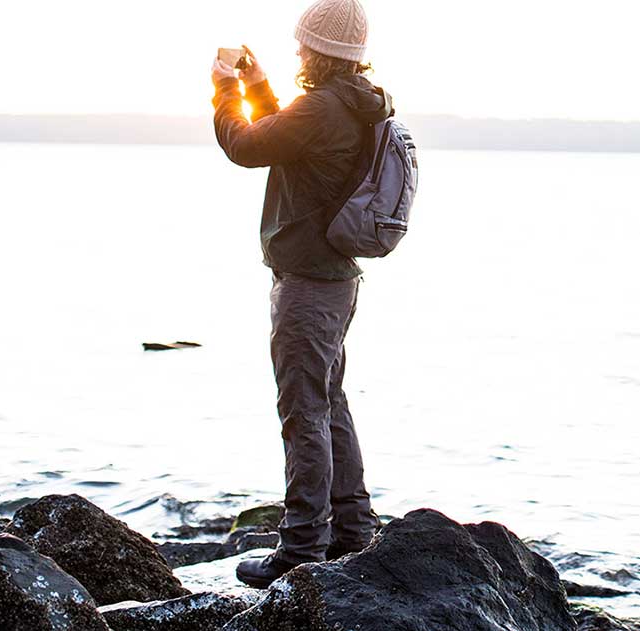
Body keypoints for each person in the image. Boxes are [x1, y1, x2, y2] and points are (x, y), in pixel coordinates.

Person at [210, 0, 388, 589]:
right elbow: (284, 138)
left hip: (309, 284)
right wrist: (259, 86)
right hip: (337, 278)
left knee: (304, 410)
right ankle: (353, 531)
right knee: (328, 401)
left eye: (302, 44)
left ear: (319, 51)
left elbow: (247, 146)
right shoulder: (357, 103)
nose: (297, 51)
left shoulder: (322, 108)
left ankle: (301, 548)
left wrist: (224, 90)